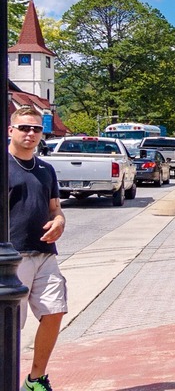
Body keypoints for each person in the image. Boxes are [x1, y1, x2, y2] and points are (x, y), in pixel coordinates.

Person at [8, 106, 67, 391]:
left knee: (55, 311)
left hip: (45, 254)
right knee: (10, 327)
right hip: (11, 258)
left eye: (36, 128)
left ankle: (35, 379)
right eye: (24, 128)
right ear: (11, 130)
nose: (30, 133)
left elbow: (55, 208)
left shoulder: (46, 169)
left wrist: (59, 221)